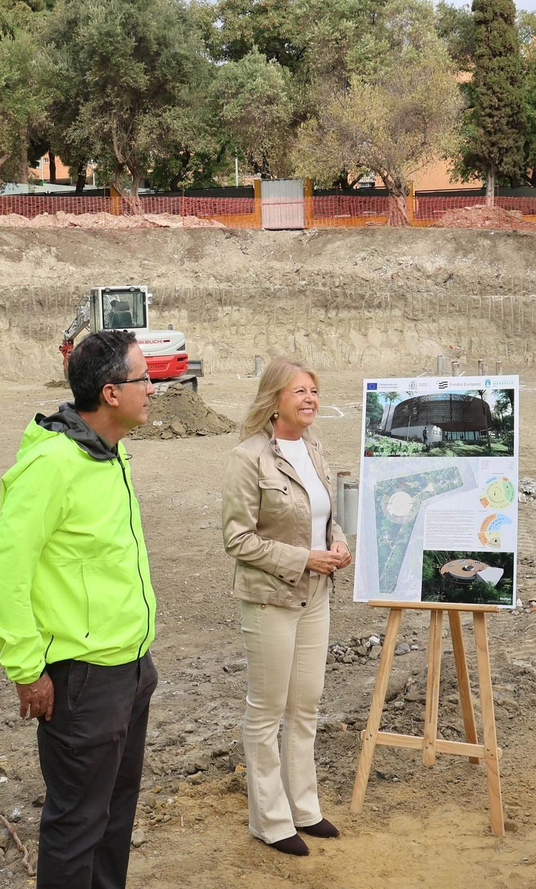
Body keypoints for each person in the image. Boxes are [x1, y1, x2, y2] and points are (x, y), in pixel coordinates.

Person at [0, 329, 159, 889]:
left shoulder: (111, 453)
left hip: (129, 668)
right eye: (143, 378)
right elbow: (4, 572)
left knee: (115, 815)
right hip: (82, 682)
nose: (154, 388)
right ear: (110, 393)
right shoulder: (53, 464)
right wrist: (26, 667)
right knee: (76, 824)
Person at [220, 358, 352, 857]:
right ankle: (270, 821)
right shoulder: (248, 457)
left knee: (306, 705)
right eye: (300, 391)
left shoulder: (314, 447)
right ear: (274, 399)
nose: (311, 399)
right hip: (271, 599)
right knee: (267, 711)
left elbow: (326, 515)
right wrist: (304, 558)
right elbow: (236, 538)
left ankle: (304, 808)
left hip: (317, 594)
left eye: (314, 390)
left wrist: (336, 544)